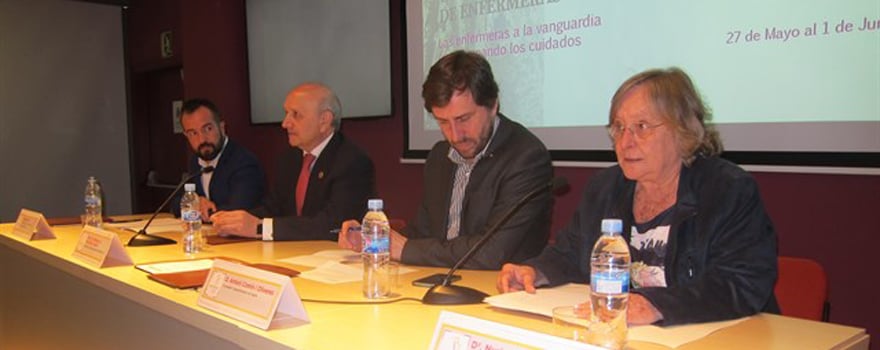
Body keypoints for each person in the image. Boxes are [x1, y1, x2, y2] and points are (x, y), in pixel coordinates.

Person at [496, 67, 779, 326]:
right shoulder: (605, 187)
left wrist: (656, 305)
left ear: (682, 130)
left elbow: (742, 283)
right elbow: (570, 253)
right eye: (619, 128)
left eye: (641, 127)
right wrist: (534, 271)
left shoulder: (727, 189)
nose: (625, 141)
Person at [339, 50, 553, 269]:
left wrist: (404, 248)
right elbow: (422, 234)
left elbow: (491, 252)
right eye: (442, 122)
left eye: (463, 119)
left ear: (493, 105)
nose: (455, 135)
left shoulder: (526, 158)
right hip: (441, 282)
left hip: (500, 289)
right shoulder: (440, 156)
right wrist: (377, 238)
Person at [210, 83, 376, 241]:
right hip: (292, 254)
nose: (285, 123)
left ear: (324, 120)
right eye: (286, 113)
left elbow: (334, 224)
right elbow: (273, 209)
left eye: (296, 115)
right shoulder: (289, 158)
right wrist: (233, 220)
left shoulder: (352, 162)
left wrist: (260, 228)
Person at [173, 98, 265, 219]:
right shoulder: (196, 162)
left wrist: (195, 208)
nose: (202, 139)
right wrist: (195, 202)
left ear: (222, 127)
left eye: (208, 129)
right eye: (193, 133)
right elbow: (175, 204)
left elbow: (236, 211)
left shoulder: (244, 162)